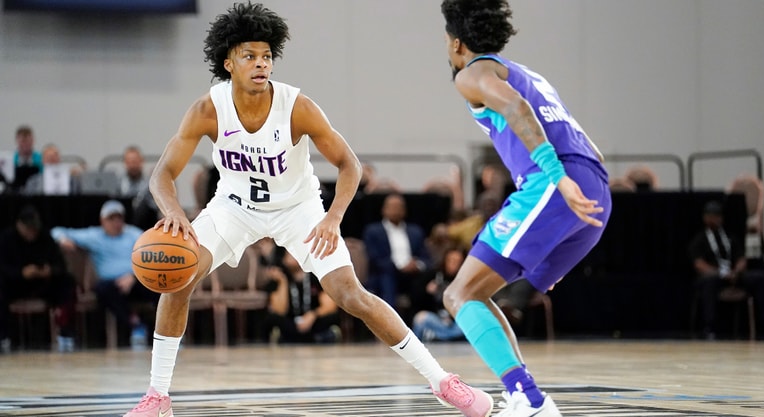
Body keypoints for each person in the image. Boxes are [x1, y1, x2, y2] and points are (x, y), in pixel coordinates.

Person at [122, 4, 492, 417]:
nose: (261, 64)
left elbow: (349, 164)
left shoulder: (296, 107)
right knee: (178, 279)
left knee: (351, 295)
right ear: (229, 62)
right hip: (234, 207)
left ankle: (442, 382)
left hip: (297, 209)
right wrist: (172, 210)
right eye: (250, 56)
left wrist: (332, 218)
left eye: (266, 56)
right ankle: (158, 397)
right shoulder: (208, 109)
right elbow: (162, 175)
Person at [440, 1, 612, 416]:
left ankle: (529, 399)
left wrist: (556, 178)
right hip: (597, 194)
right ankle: (523, 393)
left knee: (459, 294)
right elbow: (594, 151)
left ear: (458, 42)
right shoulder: (528, 74)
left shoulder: (473, 73)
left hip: (555, 186)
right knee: (478, 294)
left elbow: (516, 110)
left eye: (446, 41)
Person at [51, 200, 157, 348]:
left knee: (160, 286)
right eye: (111, 219)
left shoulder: (134, 234)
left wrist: (134, 277)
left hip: (136, 279)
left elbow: (153, 253)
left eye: (118, 218)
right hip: (112, 285)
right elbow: (56, 230)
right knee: (102, 289)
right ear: (102, 221)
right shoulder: (94, 236)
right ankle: (136, 324)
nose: (116, 222)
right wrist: (63, 240)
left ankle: (166, 330)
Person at [687, 200, 764, 340]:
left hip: (733, 275)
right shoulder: (699, 240)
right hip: (714, 276)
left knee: (759, 277)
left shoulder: (730, 237)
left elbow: (741, 259)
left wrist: (736, 271)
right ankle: (710, 327)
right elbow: (699, 264)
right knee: (708, 283)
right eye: (712, 216)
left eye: (718, 215)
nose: (716, 219)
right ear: (705, 218)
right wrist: (719, 273)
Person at [0, 205, 77, 353]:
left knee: (67, 282)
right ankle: (3, 335)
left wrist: (49, 271)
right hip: (14, 284)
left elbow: (60, 265)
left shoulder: (45, 237)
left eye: (34, 228)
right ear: (19, 225)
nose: (32, 233)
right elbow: (3, 267)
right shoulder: (6, 239)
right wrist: (21, 273)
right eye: (28, 229)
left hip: (41, 284)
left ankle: (65, 331)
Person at [362, 193, 433, 321]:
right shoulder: (373, 231)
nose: (396, 210)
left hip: (412, 273)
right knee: (387, 278)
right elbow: (375, 258)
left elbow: (426, 257)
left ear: (405, 210)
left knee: (425, 281)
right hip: (386, 273)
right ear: (383, 209)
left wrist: (417, 264)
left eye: (399, 207)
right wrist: (399, 267)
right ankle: (389, 323)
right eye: (392, 207)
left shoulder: (415, 231)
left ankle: (420, 323)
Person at [261, 251, 341, 344]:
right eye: (289, 254)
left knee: (332, 316)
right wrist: (283, 282)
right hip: (291, 321)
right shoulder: (279, 280)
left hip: (313, 321)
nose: (294, 255)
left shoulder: (316, 277)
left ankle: (296, 338)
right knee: (272, 319)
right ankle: (315, 338)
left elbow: (330, 306)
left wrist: (313, 315)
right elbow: (280, 310)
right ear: (284, 259)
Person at [412, 247, 467, 343]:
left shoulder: (464, 280)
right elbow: (415, 300)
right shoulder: (433, 275)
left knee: (468, 323)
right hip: (436, 318)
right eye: (451, 260)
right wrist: (427, 292)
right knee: (421, 318)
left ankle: (440, 336)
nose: (453, 264)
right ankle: (449, 337)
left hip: (456, 320)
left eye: (457, 261)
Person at [9, 125, 43, 192]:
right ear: (17, 141)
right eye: (22, 141)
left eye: (28, 141)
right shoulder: (10, 160)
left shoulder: (41, 159)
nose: (25, 144)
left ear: (33, 141)